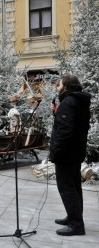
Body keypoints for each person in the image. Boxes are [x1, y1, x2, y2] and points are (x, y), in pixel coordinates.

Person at [50, 75, 91, 236]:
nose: (57, 88)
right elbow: (69, 125)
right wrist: (56, 113)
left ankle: (76, 224)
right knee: (74, 186)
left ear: (65, 86)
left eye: (58, 85)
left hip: (66, 153)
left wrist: (56, 152)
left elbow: (65, 132)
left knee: (66, 187)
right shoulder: (78, 101)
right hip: (75, 151)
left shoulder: (68, 102)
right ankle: (74, 216)